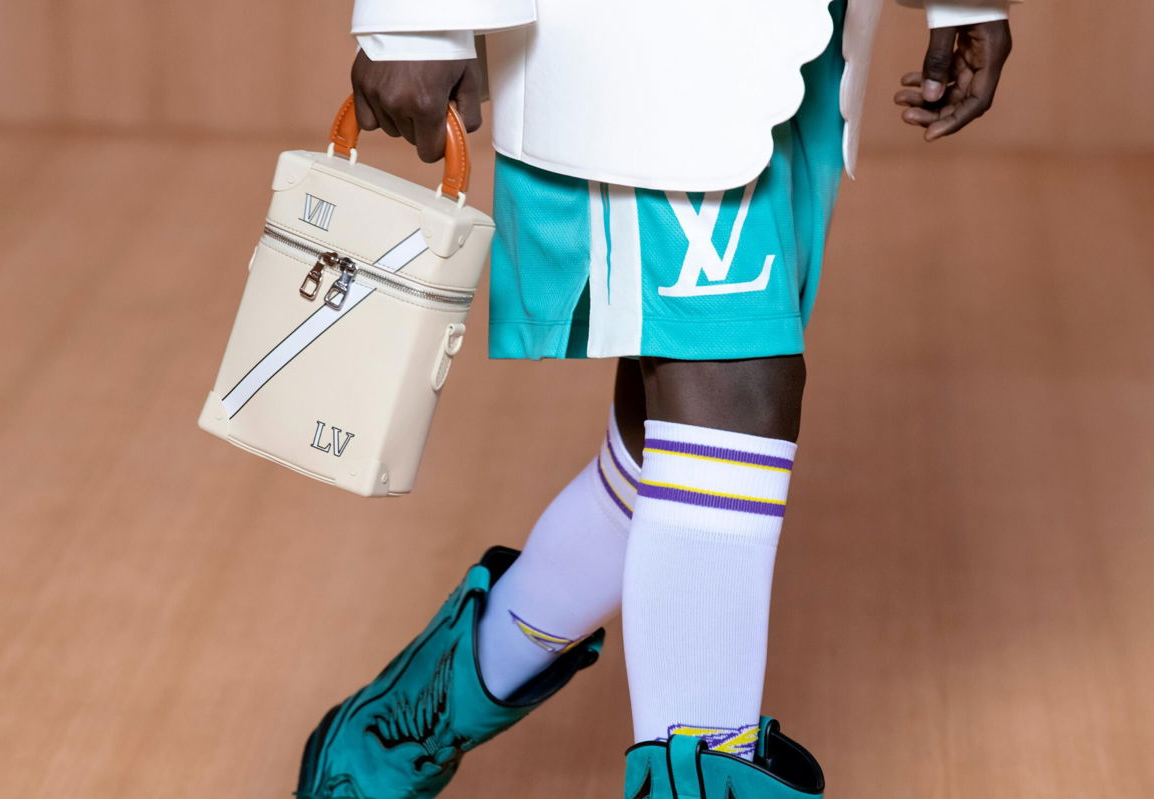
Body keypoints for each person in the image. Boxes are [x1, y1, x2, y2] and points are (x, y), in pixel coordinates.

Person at [295, 1, 1015, 797]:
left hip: (802, 37)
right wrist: (418, 19)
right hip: (638, 37)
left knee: (669, 445)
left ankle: (415, 713)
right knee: (735, 387)